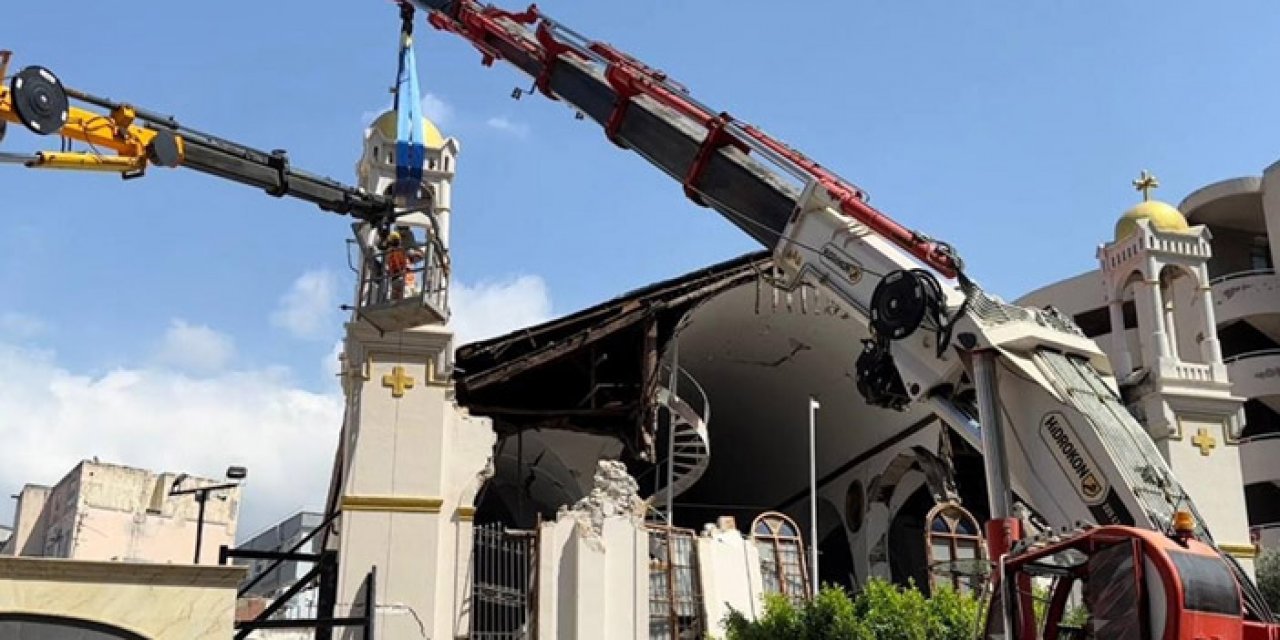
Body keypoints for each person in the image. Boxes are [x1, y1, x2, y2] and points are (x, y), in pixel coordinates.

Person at [385, 230, 409, 300]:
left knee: (395, 298)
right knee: (402, 297)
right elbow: (402, 263)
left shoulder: (391, 252)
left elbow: (391, 263)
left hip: (396, 277)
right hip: (400, 277)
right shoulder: (399, 251)